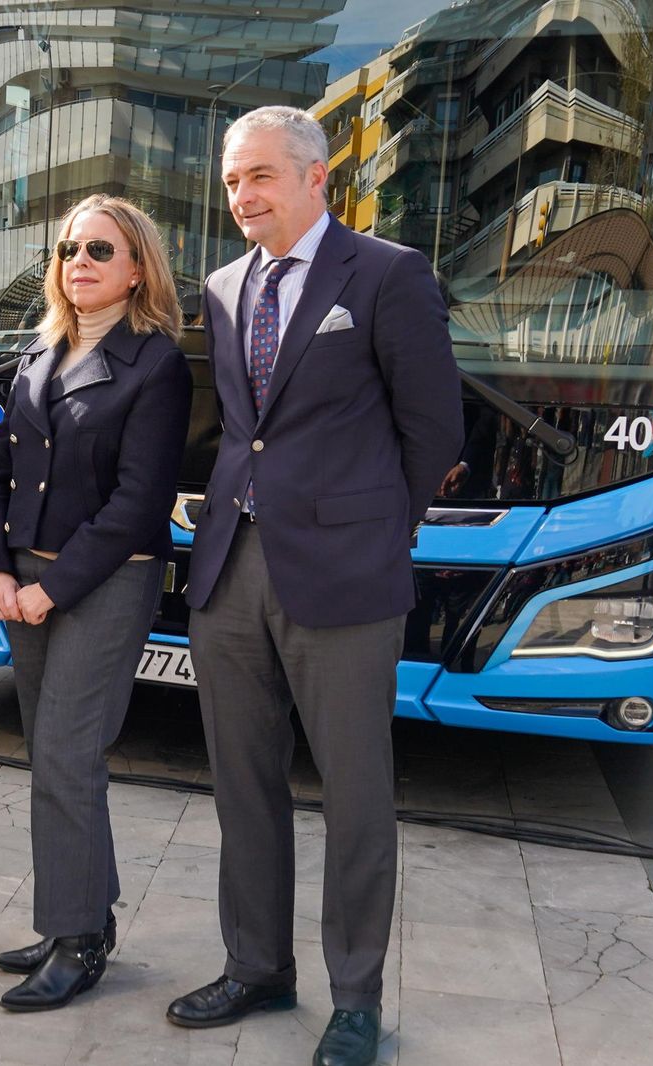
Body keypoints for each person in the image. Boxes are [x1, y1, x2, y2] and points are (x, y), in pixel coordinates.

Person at [165, 106, 462, 1066]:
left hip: (345, 575)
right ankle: (256, 966)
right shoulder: (219, 286)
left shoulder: (385, 274)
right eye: (231, 182)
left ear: (315, 177)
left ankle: (357, 998)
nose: (243, 197)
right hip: (230, 569)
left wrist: (374, 528)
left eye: (259, 177)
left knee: (355, 794)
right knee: (242, 787)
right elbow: (238, 430)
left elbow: (435, 430)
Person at [0, 195, 190, 1011]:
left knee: (67, 751)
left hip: (103, 578)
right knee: (52, 753)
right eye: (68, 249)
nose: (80, 263)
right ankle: (78, 912)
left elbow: (139, 502)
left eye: (100, 250)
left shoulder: (157, 363)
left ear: (138, 271)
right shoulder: (38, 350)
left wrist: (47, 586)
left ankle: (80, 941)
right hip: (21, 574)